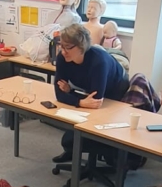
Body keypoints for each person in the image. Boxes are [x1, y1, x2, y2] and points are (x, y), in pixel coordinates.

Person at [52, 24, 129, 164]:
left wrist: (71, 93)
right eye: (61, 46)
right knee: (73, 129)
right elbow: (58, 94)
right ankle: (73, 151)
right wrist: (79, 101)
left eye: (68, 47)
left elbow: (96, 102)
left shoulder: (98, 61)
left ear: (81, 47)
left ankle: (112, 159)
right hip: (88, 89)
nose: (63, 51)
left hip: (116, 89)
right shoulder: (63, 58)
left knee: (99, 122)